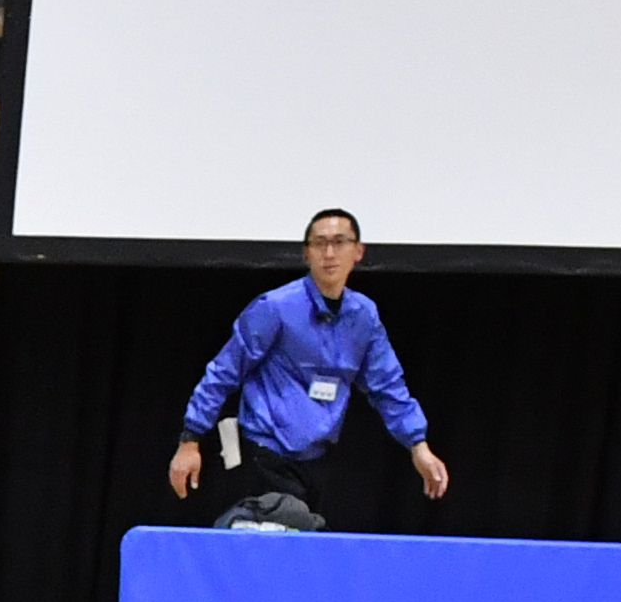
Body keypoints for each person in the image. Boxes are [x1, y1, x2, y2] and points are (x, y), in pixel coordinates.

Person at [170, 209, 450, 525]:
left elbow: (387, 385)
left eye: (339, 242)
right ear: (306, 253)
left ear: (358, 252)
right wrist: (190, 440)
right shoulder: (275, 307)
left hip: (318, 459)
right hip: (266, 453)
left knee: (307, 549)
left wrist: (418, 445)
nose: (329, 253)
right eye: (319, 244)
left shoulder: (363, 316)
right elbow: (223, 371)